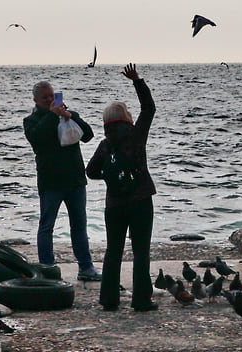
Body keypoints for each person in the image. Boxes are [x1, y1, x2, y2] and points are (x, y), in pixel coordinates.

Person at [85, 63, 157, 311]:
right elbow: (149, 108)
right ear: (126, 118)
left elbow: (90, 172)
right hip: (140, 201)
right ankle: (141, 300)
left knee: (113, 251)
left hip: (114, 204)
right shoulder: (136, 135)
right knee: (141, 252)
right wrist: (137, 80)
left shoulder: (105, 145)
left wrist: (110, 177)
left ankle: (109, 299)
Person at [23, 80, 101, 281]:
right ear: (36, 100)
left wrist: (70, 116)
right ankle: (47, 269)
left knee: (79, 226)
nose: (50, 99)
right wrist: (52, 115)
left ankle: (86, 267)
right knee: (47, 226)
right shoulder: (31, 121)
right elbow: (38, 138)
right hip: (51, 182)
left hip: (75, 180)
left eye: (52, 96)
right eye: (45, 97)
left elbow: (88, 135)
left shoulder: (68, 114)